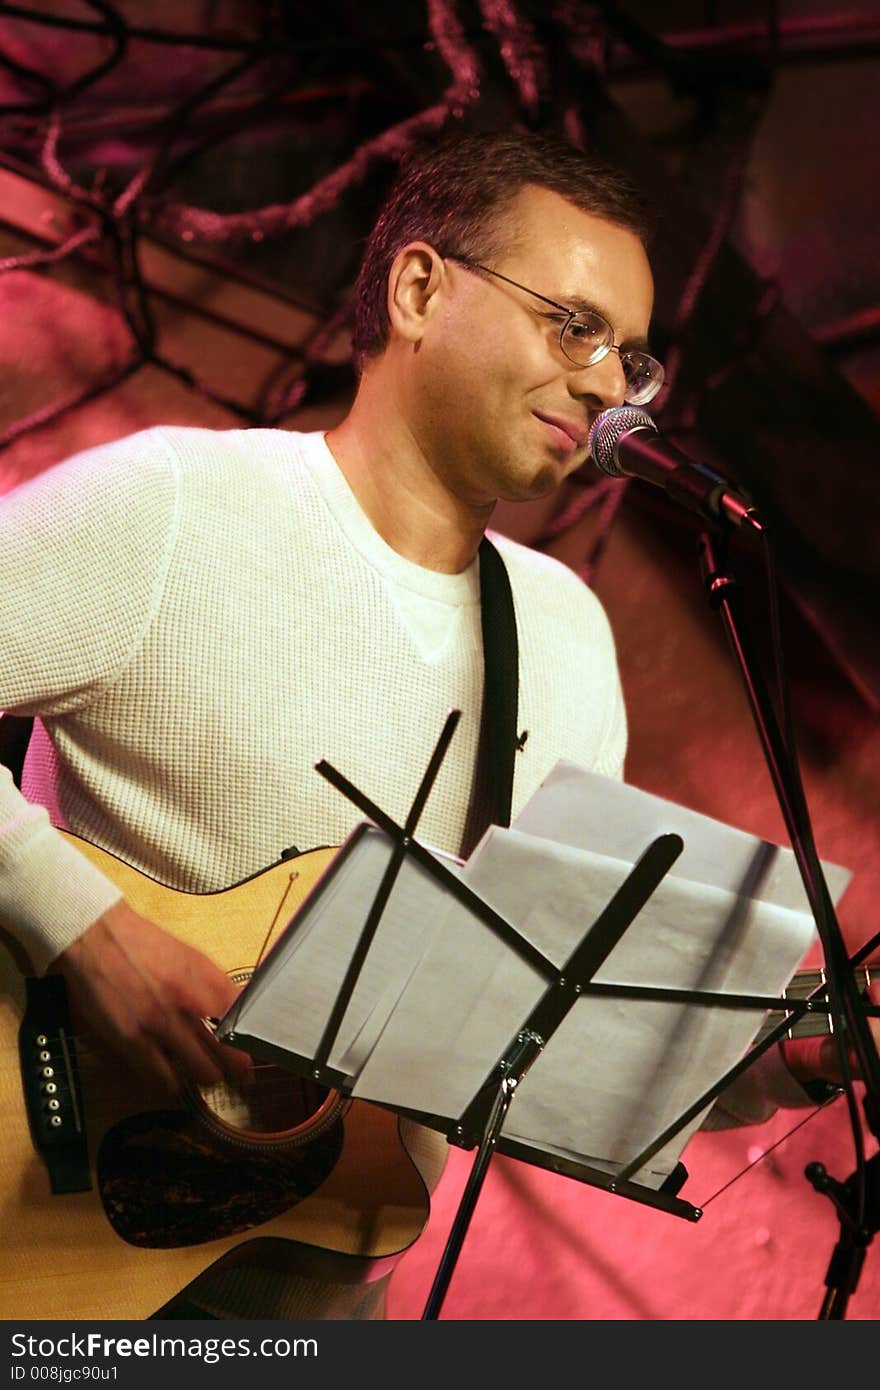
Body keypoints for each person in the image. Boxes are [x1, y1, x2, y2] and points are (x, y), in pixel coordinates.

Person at [0, 129, 873, 1321]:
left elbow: (560, 1023)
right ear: (418, 289)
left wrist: (790, 1056)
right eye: (572, 325)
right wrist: (76, 925)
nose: (608, 387)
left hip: (311, 1298)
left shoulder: (562, 632)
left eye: (629, 356)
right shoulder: (172, 507)